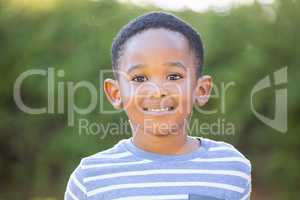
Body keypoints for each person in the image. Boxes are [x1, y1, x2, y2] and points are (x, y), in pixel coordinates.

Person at [64, 11, 251, 200]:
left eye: (174, 76)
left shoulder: (230, 168)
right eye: (139, 78)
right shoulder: (90, 178)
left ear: (201, 90)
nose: (157, 90)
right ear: (116, 93)